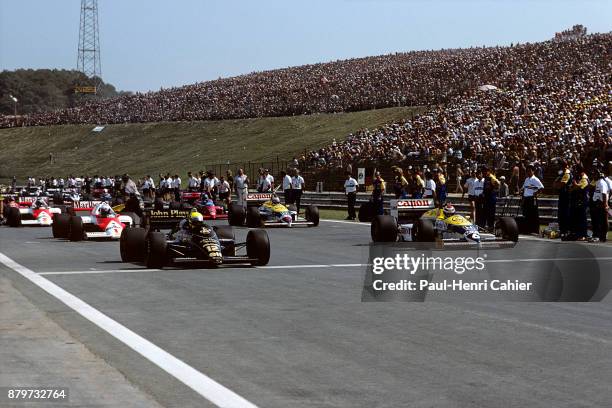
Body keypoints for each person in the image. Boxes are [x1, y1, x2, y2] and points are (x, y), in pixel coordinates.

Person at [521, 165, 544, 235]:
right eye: (527, 171)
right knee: (526, 214)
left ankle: (535, 230)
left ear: (533, 171)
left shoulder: (535, 179)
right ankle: (527, 229)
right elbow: (523, 188)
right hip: (526, 198)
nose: (528, 172)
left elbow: (541, 187)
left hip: (532, 198)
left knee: (533, 214)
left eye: (530, 170)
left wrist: (536, 192)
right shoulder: (526, 179)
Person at [568, 166, 589, 241]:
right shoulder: (578, 178)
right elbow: (570, 188)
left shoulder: (585, 179)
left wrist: (574, 184)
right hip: (575, 201)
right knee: (574, 218)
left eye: (579, 171)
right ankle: (575, 233)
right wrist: (574, 185)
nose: (577, 173)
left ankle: (583, 234)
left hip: (582, 201)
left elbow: (578, 187)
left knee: (582, 218)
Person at [553, 161, 572, 238]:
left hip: (566, 196)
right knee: (561, 214)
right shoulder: (561, 174)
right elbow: (554, 184)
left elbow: (561, 185)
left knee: (565, 213)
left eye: (563, 165)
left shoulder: (567, 174)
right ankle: (562, 230)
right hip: (562, 196)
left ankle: (566, 230)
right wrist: (557, 184)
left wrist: (557, 185)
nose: (562, 167)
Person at [590, 170, 609, 242]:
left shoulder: (601, 183)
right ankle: (600, 236)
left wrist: (604, 204)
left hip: (601, 203)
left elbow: (604, 194)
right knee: (599, 220)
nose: (593, 176)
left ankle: (603, 236)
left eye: (594, 174)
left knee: (603, 221)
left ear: (598, 175)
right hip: (597, 203)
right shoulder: (597, 182)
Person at [482, 167, 500, 231]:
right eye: (484, 171)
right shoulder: (486, 178)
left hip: (491, 198)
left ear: (489, 171)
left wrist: (495, 189)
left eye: (486, 171)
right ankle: (487, 226)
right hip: (486, 198)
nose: (484, 172)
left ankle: (491, 226)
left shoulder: (491, 177)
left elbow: (498, 183)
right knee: (486, 212)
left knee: (491, 213)